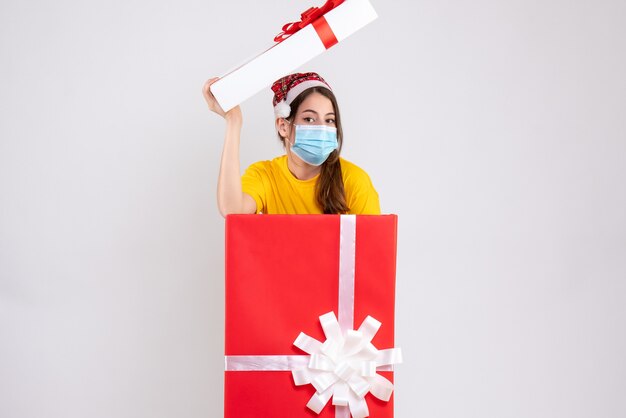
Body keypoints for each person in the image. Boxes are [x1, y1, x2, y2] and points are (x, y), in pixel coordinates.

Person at [202, 72, 380, 216]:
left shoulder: (354, 180)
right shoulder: (265, 175)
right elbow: (233, 210)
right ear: (283, 126)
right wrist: (234, 120)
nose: (322, 128)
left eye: (330, 120)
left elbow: (373, 252)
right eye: (309, 118)